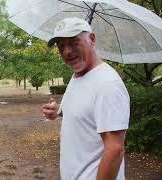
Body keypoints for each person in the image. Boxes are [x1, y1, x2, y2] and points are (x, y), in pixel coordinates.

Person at [42, 17, 130, 180]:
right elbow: (81, 112)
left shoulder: (107, 84)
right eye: (61, 46)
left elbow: (115, 149)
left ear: (92, 39)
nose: (67, 51)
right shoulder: (78, 76)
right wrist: (56, 112)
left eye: (74, 42)